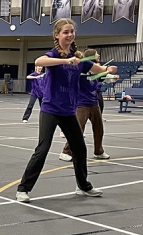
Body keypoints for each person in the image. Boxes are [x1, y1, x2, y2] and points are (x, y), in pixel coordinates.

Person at [15, 19, 117, 203]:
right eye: (65, 32)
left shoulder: (80, 59)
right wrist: (65, 60)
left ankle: (83, 186)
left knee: (80, 148)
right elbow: (39, 61)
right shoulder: (55, 55)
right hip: (50, 109)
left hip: (69, 111)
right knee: (42, 149)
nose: (69, 35)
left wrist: (107, 70)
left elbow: (98, 69)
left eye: (72, 32)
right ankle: (23, 188)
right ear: (57, 35)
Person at [59, 49, 112, 162]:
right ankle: (66, 151)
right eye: (96, 54)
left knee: (99, 128)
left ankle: (98, 151)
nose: (98, 56)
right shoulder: (82, 68)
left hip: (94, 102)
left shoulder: (96, 69)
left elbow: (102, 77)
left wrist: (107, 72)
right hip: (81, 103)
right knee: (78, 129)